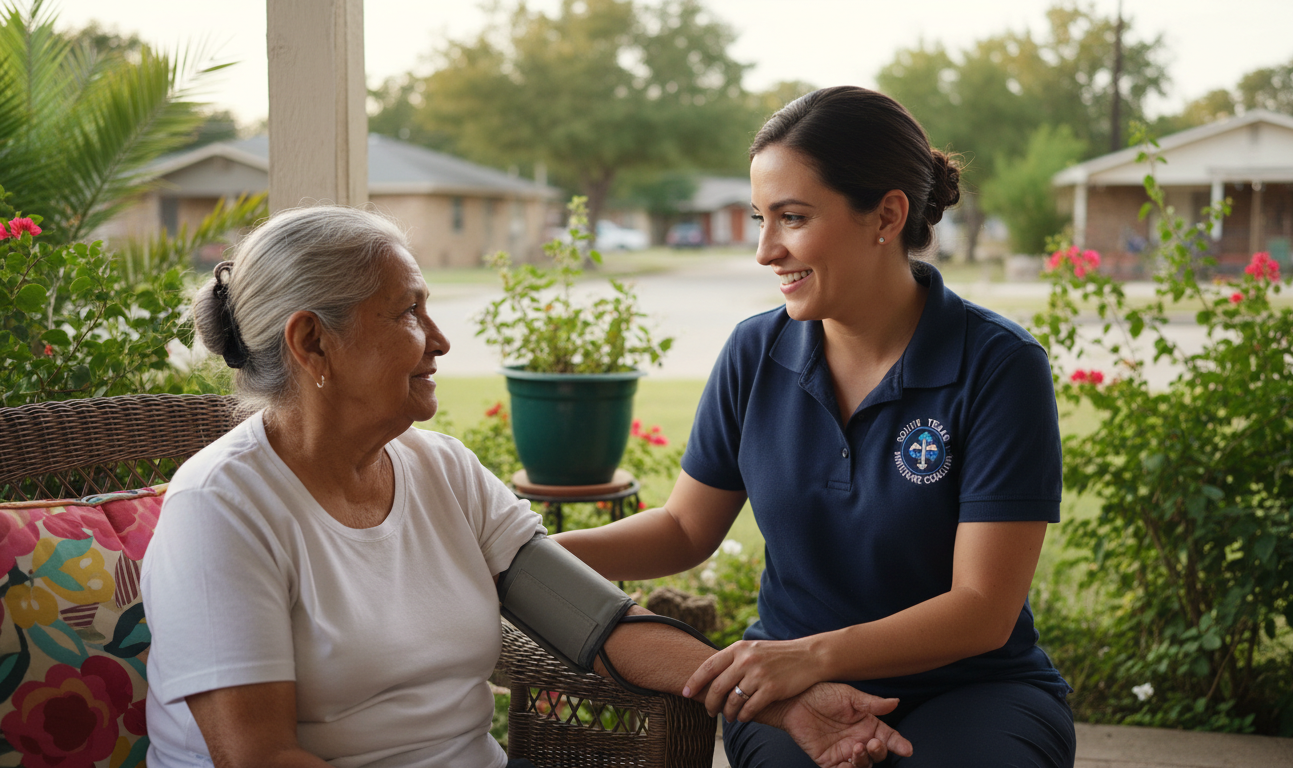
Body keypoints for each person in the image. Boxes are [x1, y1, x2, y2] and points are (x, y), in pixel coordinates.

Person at [141, 205, 916, 768]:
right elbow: (259, 757)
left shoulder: (441, 470)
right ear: (313, 341)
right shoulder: (222, 512)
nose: (440, 340)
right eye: (409, 313)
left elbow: (601, 626)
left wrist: (785, 701)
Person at [553, 86, 1076, 767]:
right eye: (758, 219)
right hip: (789, 694)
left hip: (976, 688)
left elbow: (982, 607)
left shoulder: (998, 365)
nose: (767, 250)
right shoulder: (754, 352)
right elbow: (685, 529)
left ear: (886, 214)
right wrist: (528, 556)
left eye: (792, 218)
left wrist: (808, 656)